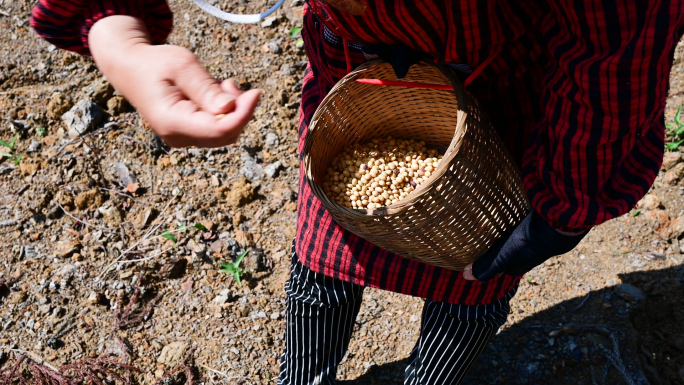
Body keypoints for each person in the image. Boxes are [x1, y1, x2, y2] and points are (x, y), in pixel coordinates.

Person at [31, 0, 684, 383]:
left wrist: (570, 193)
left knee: (472, 276)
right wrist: (118, 37)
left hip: (496, 106)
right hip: (355, 79)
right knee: (323, 259)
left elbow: (617, 43)